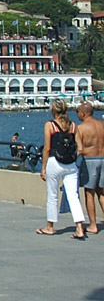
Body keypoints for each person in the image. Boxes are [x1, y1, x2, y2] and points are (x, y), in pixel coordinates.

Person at [37, 99, 85, 239]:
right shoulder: (73, 126)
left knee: (52, 195)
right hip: (71, 165)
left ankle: (50, 226)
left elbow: (47, 148)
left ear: (53, 110)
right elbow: (80, 149)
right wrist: (72, 158)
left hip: (54, 162)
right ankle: (79, 228)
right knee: (73, 196)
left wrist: (43, 168)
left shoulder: (50, 125)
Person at [76, 102, 104, 234]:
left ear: (83, 113)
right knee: (102, 192)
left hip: (89, 160)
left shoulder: (81, 128)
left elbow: (79, 149)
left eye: (78, 112)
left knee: (89, 193)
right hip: (103, 158)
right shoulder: (101, 125)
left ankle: (93, 224)